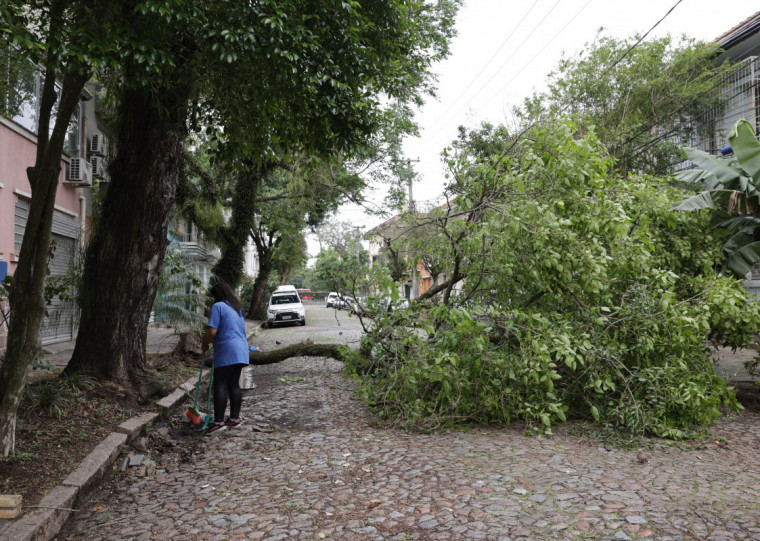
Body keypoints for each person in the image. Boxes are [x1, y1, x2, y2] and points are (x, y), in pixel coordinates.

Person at [201, 282, 249, 433]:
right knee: (233, 384)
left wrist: (204, 344)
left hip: (227, 350)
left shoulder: (218, 306)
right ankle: (234, 419)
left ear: (216, 295)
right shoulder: (237, 309)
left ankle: (218, 422)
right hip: (241, 350)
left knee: (220, 385)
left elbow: (212, 331)